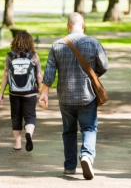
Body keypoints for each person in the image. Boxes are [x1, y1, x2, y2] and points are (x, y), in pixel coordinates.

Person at [39, 12, 108, 180]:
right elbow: (104, 65)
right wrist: (93, 74)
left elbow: (49, 71)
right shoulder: (93, 43)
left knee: (68, 131)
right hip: (87, 95)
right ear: (83, 26)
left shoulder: (57, 45)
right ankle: (86, 156)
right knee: (89, 128)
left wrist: (44, 93)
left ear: (68, 26)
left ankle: (69, 166)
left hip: (65, 96)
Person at [0, 31, 43, 152]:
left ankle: (18, 144)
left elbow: (5, 75)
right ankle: (29, 133)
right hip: (30, 92)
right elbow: (39, 76)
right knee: (30, 116)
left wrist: (1, 93)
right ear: (30, 42)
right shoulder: (34, 56)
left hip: (14, 92)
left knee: (16, 116)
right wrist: (40, 89)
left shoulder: (10, 56)